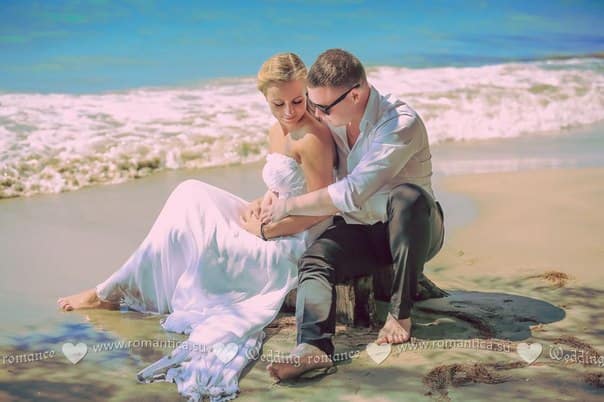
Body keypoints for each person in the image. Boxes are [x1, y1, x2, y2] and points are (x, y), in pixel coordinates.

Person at [57, 52, 335, 401]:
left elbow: (322, 208)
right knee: (191, 193)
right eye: (278, 103)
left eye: (297, 101)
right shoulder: (275, 130)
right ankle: (116, 289)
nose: (289, 112)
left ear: (306, 92)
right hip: (274, 217)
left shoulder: (313, 137)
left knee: (209, 238)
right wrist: (262, 200)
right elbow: (284, 186)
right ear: (264, 97)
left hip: (294, 238)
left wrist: (265, 231)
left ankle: (109, 293)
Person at [260, 49, 445, 381]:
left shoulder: (399, 123)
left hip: (416, 229)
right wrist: (272, 194)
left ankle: (400, 314)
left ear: (356, 95)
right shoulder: (333, 117)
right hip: (361, 227)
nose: (316, 114)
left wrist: (287, 207)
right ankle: (313, 348)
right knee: (315, 260)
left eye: (323, 108)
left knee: (407, 198)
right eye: (312, 104)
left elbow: (352, 192)